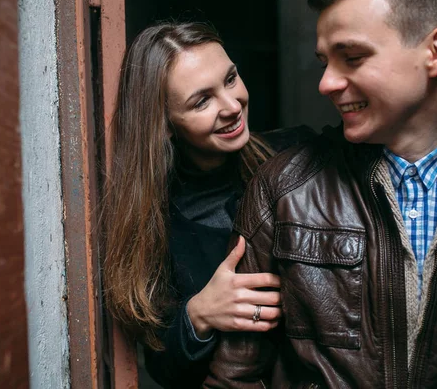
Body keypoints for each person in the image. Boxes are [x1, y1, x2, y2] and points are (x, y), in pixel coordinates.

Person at [203, 0, 437, 387]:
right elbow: (234, 379)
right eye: (324, 62)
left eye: (352, 58)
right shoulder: (282, 191)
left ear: (436, 50)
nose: (326, 83)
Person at [101, 22, 316, 388]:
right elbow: (161, 367)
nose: (232, 106)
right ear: (166, 123)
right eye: (202, 101)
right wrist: (198, 315)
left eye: (230, 79)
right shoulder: (157, 220)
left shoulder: (299, 156)